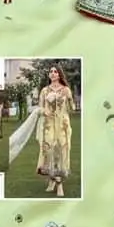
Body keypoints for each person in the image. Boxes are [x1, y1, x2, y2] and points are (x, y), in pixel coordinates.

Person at [37, 66, 74, 197]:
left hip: (63, 125)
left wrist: (68, 99)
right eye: (51, 72)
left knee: (61, 150)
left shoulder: (66, 90)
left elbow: (72, 108)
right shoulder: (44, 91)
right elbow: (40, 108)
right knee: (49, 151)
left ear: (59, 75)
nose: (53, 73)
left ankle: (59, 184)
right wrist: (45, 111)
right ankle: (52, 180)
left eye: (55, 71)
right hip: (49, 125)